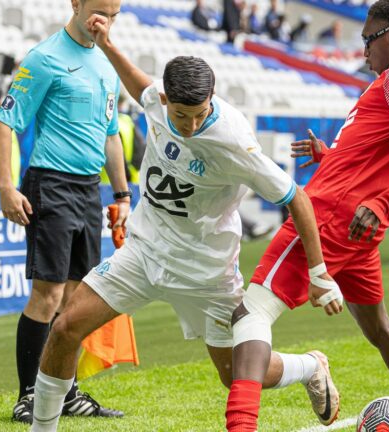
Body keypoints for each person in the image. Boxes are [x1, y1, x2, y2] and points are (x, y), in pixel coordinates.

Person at [29, 14, 340, 432]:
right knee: (66, 327)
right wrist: (105, 42)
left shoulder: (235, 144)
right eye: (181, 116)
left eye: (200, 114)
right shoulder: (156, 100)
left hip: (206, 272)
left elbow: (296, 198)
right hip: (143, 253)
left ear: (212, 98)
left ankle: (309, 366)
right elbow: (138, 82)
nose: (191, 125)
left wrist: (319, 273)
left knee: (235, 376)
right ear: (166, 100)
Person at [224, 1, 389, 431]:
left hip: (329, 219)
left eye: (368, 40)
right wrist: (331, 157)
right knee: (380, 329)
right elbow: (379, 159)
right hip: (358, 228)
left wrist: (385, 201)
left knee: (249, 314)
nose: (364, 52)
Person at [0, 0, 129, 423]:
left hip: (89, 191)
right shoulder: (45, 57)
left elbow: (111, 136)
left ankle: (66, 393)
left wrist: (122, 195)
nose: (104, 20)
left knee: (76, 300)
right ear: (76, 3)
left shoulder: (107, 65)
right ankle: (29, 394)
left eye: (114, 13)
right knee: (47, 295)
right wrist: (6, 187)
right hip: (50, 185)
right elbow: (4, 122)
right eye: (99, 10)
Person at [99, 96, 145, 184]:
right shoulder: (128, 121)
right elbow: (141, 151)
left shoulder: (104, 124)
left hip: (107, 183)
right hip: (128, 182)